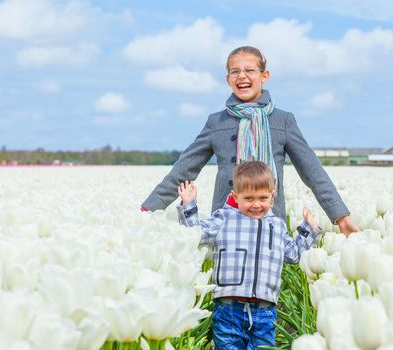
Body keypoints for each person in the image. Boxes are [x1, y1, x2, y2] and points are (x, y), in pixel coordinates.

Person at [141, 45, 359, 235]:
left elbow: (313, 172)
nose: (242, 76)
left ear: (264, 76)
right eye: (234, 71)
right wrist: (146, 211)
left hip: (270, 220)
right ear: (228, 80)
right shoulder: (216, 122)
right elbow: (182, 171)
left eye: (249, 70)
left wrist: (340, 215)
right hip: (226, 221)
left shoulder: (283, 121)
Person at [177, 161, 321, 349]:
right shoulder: (224, 218)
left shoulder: (276, 226)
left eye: (263, 198)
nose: (256, 204)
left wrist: (308, 228)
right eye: (249, 198)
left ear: (272, 196)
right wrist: (188, 204)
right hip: (228, 307)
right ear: (236, 197)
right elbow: (196, 233)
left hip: (265, 310)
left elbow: (294, 254)